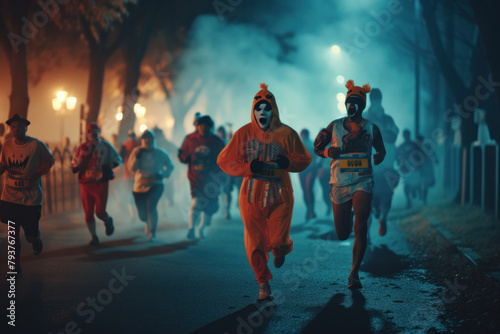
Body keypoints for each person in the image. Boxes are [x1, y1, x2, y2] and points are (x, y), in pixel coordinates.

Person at [217, 83, 312, 300]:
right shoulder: (243, 134)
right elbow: (224, 159)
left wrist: (286, 162)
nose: (262, 113)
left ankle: (281, 249)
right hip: (251, 196)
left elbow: (304, 159)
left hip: (280, 195)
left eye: (266, 108)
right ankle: (263, 282)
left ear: (274, 110)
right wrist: (248, 168)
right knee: (255, 241)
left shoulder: (287, 134)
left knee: (278, 239)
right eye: (258, 108)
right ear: (253, 111)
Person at [314, 80, 385, 289]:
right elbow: (317, 147)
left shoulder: (372, 129)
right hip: (339, 183)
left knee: (361, 226)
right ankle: (349, 213)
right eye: (349, 102)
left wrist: (379, 156)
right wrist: (328, 152)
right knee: (343, 233)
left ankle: (354, 273)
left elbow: (381, 151)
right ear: (345, 104)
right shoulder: (334, 126)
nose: (351, 106)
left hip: (363, 181)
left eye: (356, 103)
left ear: (362, 106)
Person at [0, 114, 55, 277]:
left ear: (26, 128)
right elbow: (3, 165)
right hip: (10, 197)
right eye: (13, 127)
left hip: (31, 198)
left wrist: (37, 173)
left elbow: (50, 160)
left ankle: (35, 239)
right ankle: (15, 266)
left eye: (19, 127)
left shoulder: (36, 144)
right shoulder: (7, 145)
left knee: (29, 234)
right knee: (12, 233)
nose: (16, 130)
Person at [72, 122, 122, 246]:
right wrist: (77, 166)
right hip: (86, 184)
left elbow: (117, 159)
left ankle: (107, 220)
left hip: (100, 184)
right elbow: (74, 163)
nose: (92, 134)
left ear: (99, 132)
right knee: (88, 213)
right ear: (86, 133)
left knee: (100, 212)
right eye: (89, 132)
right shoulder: (82, 148)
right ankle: (93, 236)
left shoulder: (106, 146)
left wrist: (107, 168)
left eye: (95, 131)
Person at [178, 115, 226, 239]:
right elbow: (182, 153)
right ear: (197, 126)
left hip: (212, 180)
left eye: (207, 126)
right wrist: (185, 157)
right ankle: (191, 228)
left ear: (211, 127)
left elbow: (225, 159)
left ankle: (202, 227)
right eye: (201, 125)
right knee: (197, 202)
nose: (203, 128)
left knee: (211, 208)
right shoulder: (190, 139)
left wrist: (222, 175)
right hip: (196, 179)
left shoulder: (216, 141)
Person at [363, 88, 400, 236]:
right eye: (374, 99)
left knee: (387, 193)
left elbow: (394, 136)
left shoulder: (388, 119)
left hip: (386, 162)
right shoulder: (364, 117)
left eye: (378, 99)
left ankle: (383, 218)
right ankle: (366, 232)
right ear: (371, 100)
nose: (376, 101)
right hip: (368, 163)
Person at [128, 130, 174, 241]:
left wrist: (163, 174)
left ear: (154, 140)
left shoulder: (160, 152)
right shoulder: (137, 151)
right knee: (143, 214)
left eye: (150, 138)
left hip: (156, 184)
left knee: (151, 207)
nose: (148, 140)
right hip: (140, 186)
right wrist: (137, 159)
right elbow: (132, 169)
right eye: (145, 138)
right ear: (142, 140)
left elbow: (170, 166)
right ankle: (146, 223)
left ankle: (152, 233)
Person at [396, 129, 420, 209]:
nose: (406, 136)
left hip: (414, 168)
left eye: (407, 135)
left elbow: (419, 155)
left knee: (414, 183)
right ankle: (408, 201)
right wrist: (399, 164)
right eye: (405, 135)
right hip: (405, 169)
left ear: (409, 135)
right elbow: (398, 157)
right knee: (406, 185)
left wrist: (419, 164)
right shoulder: (401, 146)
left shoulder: (415, 145)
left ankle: (413, 190)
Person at [299, 128, 319, 220]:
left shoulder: (310, 144)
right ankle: (310, 210)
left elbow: (317, 156)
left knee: (308, 189)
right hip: (303, 170)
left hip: (310, 169)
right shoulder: (299, 144)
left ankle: (310, 210)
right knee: (306, 190)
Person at [120, 130, 140, 219]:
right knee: (131, 194)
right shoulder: (127, 144)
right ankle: (134, 214)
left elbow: (120, 158)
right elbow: (121, 158)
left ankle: (135, 214)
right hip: (132, 175)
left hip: (135, 175)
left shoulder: (137, 144)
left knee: (134, 194)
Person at [217, 125, 234, 219]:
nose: (221, 134)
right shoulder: (215, 143)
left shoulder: (228, 142)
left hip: (228, 170)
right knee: (220, 191)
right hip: (218, 171)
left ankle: (227, 209)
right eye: (220, 132)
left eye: (223, 132)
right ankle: (223, 209)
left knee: (227, 191)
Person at [415, 134, 438, 205]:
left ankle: (424, 200)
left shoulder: (426, 145)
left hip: (426, 168)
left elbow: (433, 152)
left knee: (425, 185)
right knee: (419, 183)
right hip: (420, 168)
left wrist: (435, 158)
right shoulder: (416, 147)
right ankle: (421, 196)